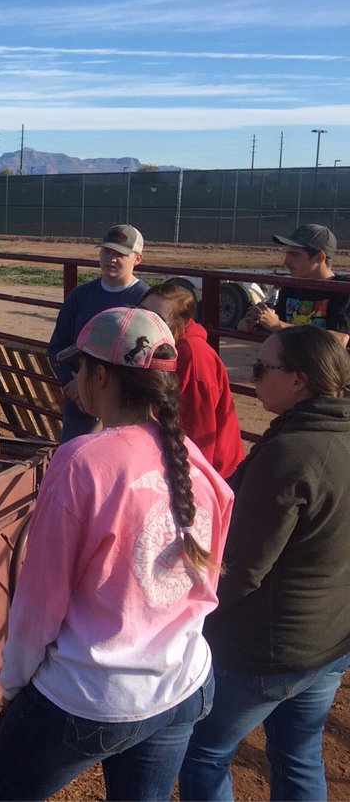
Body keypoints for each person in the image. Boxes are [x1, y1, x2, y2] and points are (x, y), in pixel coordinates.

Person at [0, 307, 233, 801]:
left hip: (91, 695)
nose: (72, 381)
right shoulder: (193, 459)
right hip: (184, 682)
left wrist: (13, 682)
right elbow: (205, 578)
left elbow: (39, 601)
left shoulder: (80, 462)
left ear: (102, 374)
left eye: (79, 368)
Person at [179, 325, 350, 801]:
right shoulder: (330, 434)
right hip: (331, 640)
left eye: (261, 368)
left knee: (203, 750)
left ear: (298, 380)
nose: (251, 377)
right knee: (299, 753)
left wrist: (191, 616)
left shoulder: (290, 454)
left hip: (271, 650)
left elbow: (241, 569)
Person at [47, 225, 151, 441]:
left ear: (137, 259)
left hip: (126, 413)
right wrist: (74, 385)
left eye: (120, 254)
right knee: (78, 464)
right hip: (80, 408)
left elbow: (148, 362)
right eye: (106, 251)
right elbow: (57, 348)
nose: (111, 259)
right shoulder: (80, 296)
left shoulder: (145, 301)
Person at [140, 280, 244, 478]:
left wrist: (188, 482)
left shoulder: (193, 357)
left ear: (182, 322)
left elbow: (199, 433)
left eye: (158, 318)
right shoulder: (162, 346)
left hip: (209, 474)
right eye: (142, 312)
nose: (147, 323)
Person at [238, 223, 350, 346]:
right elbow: (279, 327)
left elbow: (340, 339)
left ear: (319, 257)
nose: (285, 261)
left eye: (294, 254)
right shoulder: (291, 285)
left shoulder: (343, 289)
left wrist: (277, 324)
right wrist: (254, 321)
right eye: (287, 253)